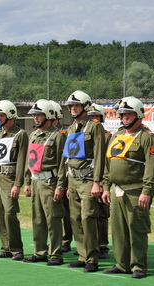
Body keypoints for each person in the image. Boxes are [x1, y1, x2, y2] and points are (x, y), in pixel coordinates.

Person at [102, 97, 154, 279]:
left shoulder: (147, 137)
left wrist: (147, 191)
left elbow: (152, 166)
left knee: (137, 230)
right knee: (118, 230)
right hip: (116, 190)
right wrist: (105, 187)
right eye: (122, 114)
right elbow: (107, 163)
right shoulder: (117, 135)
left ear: (139, 115)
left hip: (136, 190)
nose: (124, 117)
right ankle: (122, 263)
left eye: (128, 114)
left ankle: (138, 266)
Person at [62, 90, 106, 273]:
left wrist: (98, 182)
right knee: (75, 218)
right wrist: (66, 182)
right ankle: (82, 255)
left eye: (77, 105)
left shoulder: (95, 127)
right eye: (71, 106)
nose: (73, 109)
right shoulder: (71, 128)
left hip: (88, 179)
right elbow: (68, 156)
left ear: (86, 107)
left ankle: (92, 258)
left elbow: (100, 156)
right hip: (73, 179)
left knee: (88, 217)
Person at [23, 99, 66, 266]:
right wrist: (27, 182)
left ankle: (55, 253)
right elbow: (30, 161)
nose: (36, 118)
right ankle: (39, 252)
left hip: (50, 182)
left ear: (48, 115)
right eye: (34, 115)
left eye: (39, 115)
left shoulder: (58, 136)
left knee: (53, 219)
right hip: (35, 181)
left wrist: (60, 185)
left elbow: (63, 163)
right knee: (37, 219)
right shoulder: (34, 135)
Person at [0, 100, 28, 261]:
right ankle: (5, 247)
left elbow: (22, 161)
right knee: (0, 215)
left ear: (10, 115)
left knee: (10, 213)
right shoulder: (0, 134)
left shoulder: (20, 134)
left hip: (10, 179)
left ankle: (16, 249)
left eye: (1, 115)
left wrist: (18, 184)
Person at [49, 100, 74, 254]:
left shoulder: (62, 135)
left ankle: (66, 240)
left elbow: (64, 160)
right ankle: (61, 240)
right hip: (52, 179)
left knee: (67, 212)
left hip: (63, 177)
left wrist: (64, 183)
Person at [87, 103, 111, 259]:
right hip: (88, 177)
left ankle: (102, 246)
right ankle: (89, 245)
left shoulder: (108, 136)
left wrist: (103, 182)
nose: (94, 119)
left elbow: (108, 160)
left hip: (101, 178)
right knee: (89, 214)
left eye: (96, 117)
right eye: (91, 117)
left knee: (102, 214)